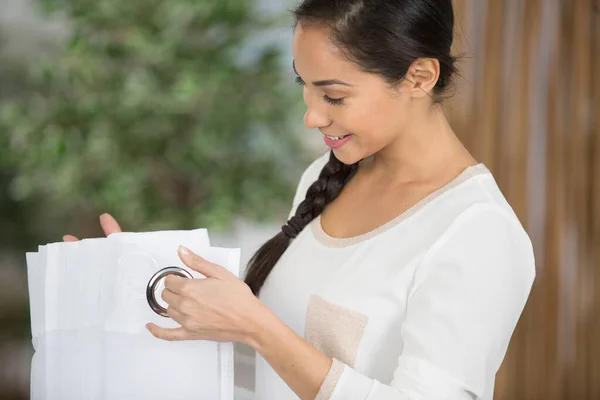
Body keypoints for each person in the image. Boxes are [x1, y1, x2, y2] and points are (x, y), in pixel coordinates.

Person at [65, 0, 535, 399]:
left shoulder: (478, 231)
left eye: (333, 96)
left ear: (419, 77)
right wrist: (147, 284)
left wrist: (258, 328)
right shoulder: (325, 178)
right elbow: (269, 374)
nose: (311, 117)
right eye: (304, 86)